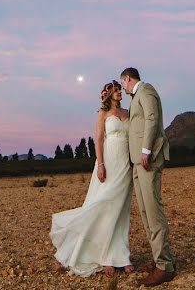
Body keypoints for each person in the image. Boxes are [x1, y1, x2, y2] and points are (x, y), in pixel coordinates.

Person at [50, 81, 134, 277]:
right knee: (104, 205)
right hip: (109, 162)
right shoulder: (103, 114)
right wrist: (101, 164)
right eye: (116, 90)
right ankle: (104, 256)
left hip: (125, 164)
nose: (120, 92)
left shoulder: (128, 113)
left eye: (120, 89)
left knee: (121, 209)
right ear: (109, 94)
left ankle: (121, 255)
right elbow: (98, 139)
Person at [121, 67, 177, 286]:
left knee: (153, 211)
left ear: (127, 78)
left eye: (122, 83)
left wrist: (145, 150)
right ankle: (158, 259)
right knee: (145, 211)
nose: (123, 87)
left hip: (148, 159)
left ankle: (166, 266)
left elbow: (152, 119)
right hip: (138, 162)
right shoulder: (137, 96)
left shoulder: (146, 91)